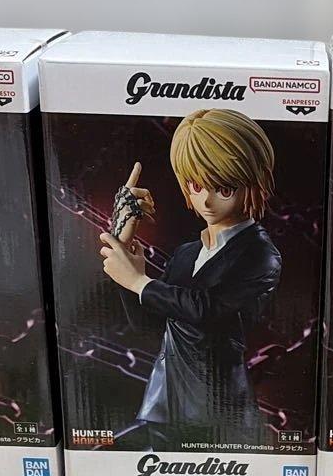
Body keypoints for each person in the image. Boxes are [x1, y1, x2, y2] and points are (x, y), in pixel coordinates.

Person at [97, 109, 281, 450]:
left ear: (253, 182)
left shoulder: (259, 253)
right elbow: (149, 323)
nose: (206, 199)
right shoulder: (186, 253)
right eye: (196, 186)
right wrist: (125, 253)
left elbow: (206, 310)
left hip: (216, 409)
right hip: (164, 402)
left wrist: (139, 281)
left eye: (224, 188)